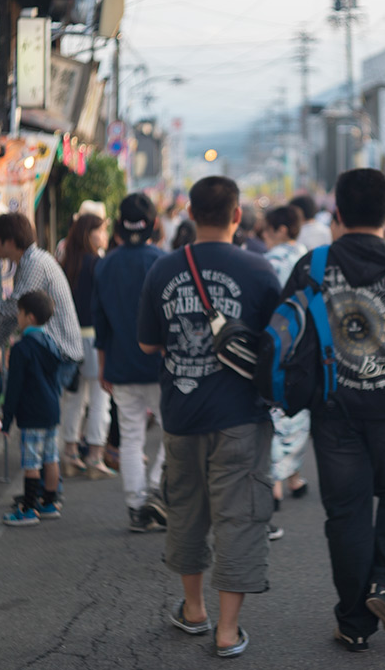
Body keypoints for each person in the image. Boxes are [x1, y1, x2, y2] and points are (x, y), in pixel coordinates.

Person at [281, 168, 385, 652]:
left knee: (346, 512)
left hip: (333, 411)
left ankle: (354, 622)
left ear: (337, 213)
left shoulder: (311, 267)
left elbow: (289, 335)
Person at [138, 177, 281, 658]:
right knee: (240, 516)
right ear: (237, 215)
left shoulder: (162, 270)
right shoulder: (260, 270)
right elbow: (277, 344)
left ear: (191, 214)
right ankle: (227, 630)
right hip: (242, 413)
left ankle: (194, 609)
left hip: (181, 413)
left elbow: (147, 344)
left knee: (187, 511)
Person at [93, 193, 168, 532]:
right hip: (161, 366)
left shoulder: (105, 264)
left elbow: (101, 323)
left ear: (119, 225)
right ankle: (157, 488)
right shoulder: (163, 261)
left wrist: (103, 366)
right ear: (153, 224)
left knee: (131, 436)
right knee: (174, 433)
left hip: (120, 365)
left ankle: (137, 505)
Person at [0, 212, 83, 368]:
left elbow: (13, 308)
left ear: (10, 242)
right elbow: (15, 316)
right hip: (57, 352)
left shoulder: (34, 263)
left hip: (61, 353)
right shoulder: (28, 262)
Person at [261, 205, 311, 532]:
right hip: (308, 347)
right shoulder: (311, 257)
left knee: (275, 410)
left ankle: (276, 482)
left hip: (276, 344)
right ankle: (292, 476)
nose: (264, 236)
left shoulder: (270, 262)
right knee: (300, 411)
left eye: (267, 230)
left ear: (280, 229)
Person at [1, 291, 68, 526]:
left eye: (19, 313)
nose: (17, 317)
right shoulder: (51, 343)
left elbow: (14, 388)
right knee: (51, 458)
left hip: (32, 412)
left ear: (29, 317)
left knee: (31, 463)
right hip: (51, 410)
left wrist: (7, 418)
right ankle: (50, 502)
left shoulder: (22, 349)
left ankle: (28, 509)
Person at [57, 213, 114, 479]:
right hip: (95, 338)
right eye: (101, 230)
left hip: (69, 337)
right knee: (101, 397)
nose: (104, 235)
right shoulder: (99, 264)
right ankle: (94, 455)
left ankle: (69, 452)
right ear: (89, 233)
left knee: (73, 398)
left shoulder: (66, 263)